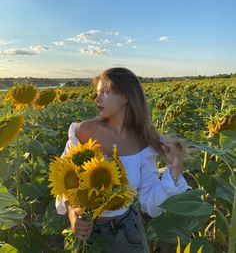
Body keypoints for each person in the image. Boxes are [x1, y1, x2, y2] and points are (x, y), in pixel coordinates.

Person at [56, 67, 188, 253]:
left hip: (126, 233)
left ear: (126, 97)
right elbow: (63, 178)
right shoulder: (84, 132)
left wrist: (174, 170)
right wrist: (72, 213)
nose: (97, 99)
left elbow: (149, 202)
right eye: (97, 93)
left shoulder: (142, 143)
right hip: (87, 231)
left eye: (106, 92)